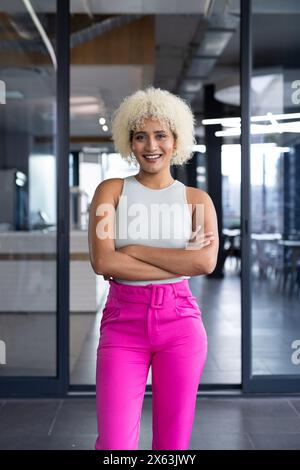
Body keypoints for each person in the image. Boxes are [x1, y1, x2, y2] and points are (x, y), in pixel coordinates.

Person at [88, 87, 219, 450]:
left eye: (160, 135)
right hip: (122, 324)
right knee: (114, 445)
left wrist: (133, 249)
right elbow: (103, 261)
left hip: (181, 325)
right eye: (140, 136)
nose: (151, 145)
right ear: (130, 142)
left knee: (172, 445)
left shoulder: (196, 202)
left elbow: (205, 262)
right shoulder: (110, 192)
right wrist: (180, 264)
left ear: (176, 140)